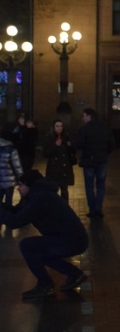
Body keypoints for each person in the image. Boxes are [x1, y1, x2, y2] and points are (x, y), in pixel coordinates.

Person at [1, 170, 88, 300]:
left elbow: (15, 222)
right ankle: (74, 274)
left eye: (20, 185)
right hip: (71, 239)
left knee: (28, 246)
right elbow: (17, 212)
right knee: (38, 250)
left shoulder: (40, 198)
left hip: (72, 241)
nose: (18, 188)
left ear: (29, 185)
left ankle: (45, 285)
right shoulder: (37, 195)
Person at [75, 108, 115, 218]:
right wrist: (104, 154)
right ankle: (98, 208)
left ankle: (92, 209)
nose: (83, 118)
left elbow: (78, 144)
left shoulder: (84, 129)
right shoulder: (105, 128)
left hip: (89, 161)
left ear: (89, 116)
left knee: (89, 186)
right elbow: (112, 144)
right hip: (102, 161)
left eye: (84, 116)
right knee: (101, 185)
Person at [42, 119, 76, 202]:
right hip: (54, 168)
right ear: (53, 127)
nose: (59, 128)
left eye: (61, 126)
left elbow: (73, 151)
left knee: (64, 190)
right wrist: (55, 146)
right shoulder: (49, 138)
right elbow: (45, 153)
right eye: (57, 126)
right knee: (53, 190)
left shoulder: (66, 136)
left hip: (65, 167)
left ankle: (65, 209)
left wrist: (70, 145)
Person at [0, 126, 22, 208]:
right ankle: (7, 218)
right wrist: (21, 178)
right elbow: (17, 166)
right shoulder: (11, 149)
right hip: (10, 181)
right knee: (8, 202)